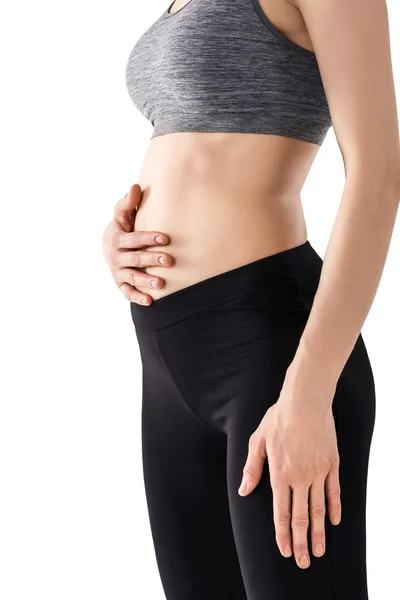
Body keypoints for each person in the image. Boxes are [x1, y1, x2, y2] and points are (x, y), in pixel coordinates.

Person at [102, 0, 400, 598]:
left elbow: (379, 172)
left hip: (272, 355)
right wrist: (121, 238)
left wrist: (308, 398)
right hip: (167, 358)